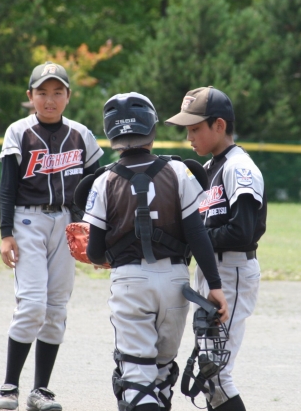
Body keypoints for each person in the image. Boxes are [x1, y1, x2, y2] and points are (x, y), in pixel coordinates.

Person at [82, 92, 229, 411]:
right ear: (151, 128)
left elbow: (94, 251)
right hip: (175, 283)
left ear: (111, 134)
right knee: (162, 376)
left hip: (131, 282)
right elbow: (198, 234)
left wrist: (102, 258)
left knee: (137, 379)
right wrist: (215, 286)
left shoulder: (104, 180)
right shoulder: (177, 170)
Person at [0, 61, 104, 411]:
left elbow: (98, 188)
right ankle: (8, 386)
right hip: (28, 221)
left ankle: (40, 391)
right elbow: (7, 187)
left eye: (57, 92)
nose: (50, 100)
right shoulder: (18, 132)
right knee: (32, 305)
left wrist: (95, 232)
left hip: (67, 223)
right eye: (42, 92)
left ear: (69, 96)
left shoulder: (82, 135)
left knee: (55, 309)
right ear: (30, 96)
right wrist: (6, 234)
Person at [164, 86, 266, 411]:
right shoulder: (209, 169)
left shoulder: (239, 168)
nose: (189, 137)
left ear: (219, 125)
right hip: (214, 271)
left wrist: (198, 239)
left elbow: (242, 231)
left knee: (216, 375)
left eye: (195, 129)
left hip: (232, 271)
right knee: (210, 371)